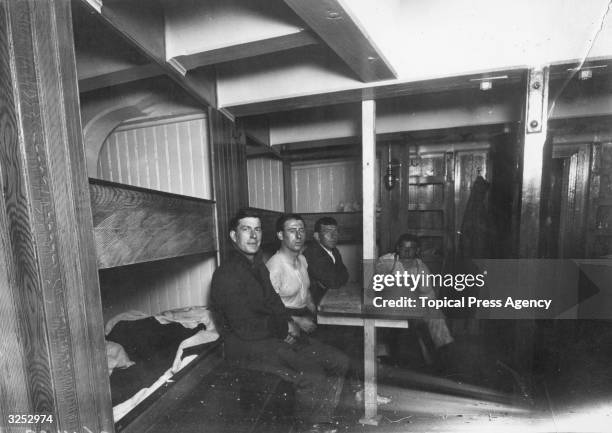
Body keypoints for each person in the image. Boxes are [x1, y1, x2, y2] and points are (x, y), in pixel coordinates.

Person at [210, 209, 347, 433]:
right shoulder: (227, 273)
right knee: (311, 372)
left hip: (270, 334)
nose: (253, 235)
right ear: (234, 236)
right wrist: (285, 328)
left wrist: (288, 324)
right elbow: (245, 327)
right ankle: (307, 428)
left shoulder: (257, 266)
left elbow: (275, 304)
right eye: (246, 229)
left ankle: (321, 422)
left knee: (338, 360)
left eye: (257, 229)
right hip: (245, 345)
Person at [375, 234, 454, 352]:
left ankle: (444, 354)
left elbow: (428, 294)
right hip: (388, 305)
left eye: (411, 248)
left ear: (417, 250)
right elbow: (375, 283)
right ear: (398, 248)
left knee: (435, 317)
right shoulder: (387, 261)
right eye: (403, 248)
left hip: (411, 306)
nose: (407, 251)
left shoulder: (420, 268)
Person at [303, 217, 350, 305]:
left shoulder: (334, 250)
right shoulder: (313, 252)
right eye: (327, 232)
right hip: (317, 303)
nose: (333, 236)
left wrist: (338, 278)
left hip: (331, 298)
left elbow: (346, 275)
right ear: (317, 236)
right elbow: (332, 283)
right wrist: (338, 277)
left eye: (335, 231)